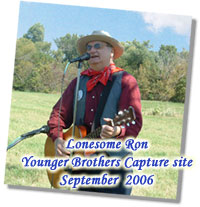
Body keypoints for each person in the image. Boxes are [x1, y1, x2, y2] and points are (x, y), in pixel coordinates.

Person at [47, 30, 142, 195]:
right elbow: (58, 115)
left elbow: (134, 122)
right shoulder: (78, 81)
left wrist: (118, 130)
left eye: (98, 45)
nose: (91, 50)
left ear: (112, 51)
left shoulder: (126, 81)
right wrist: (58, 139)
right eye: (89, 47)